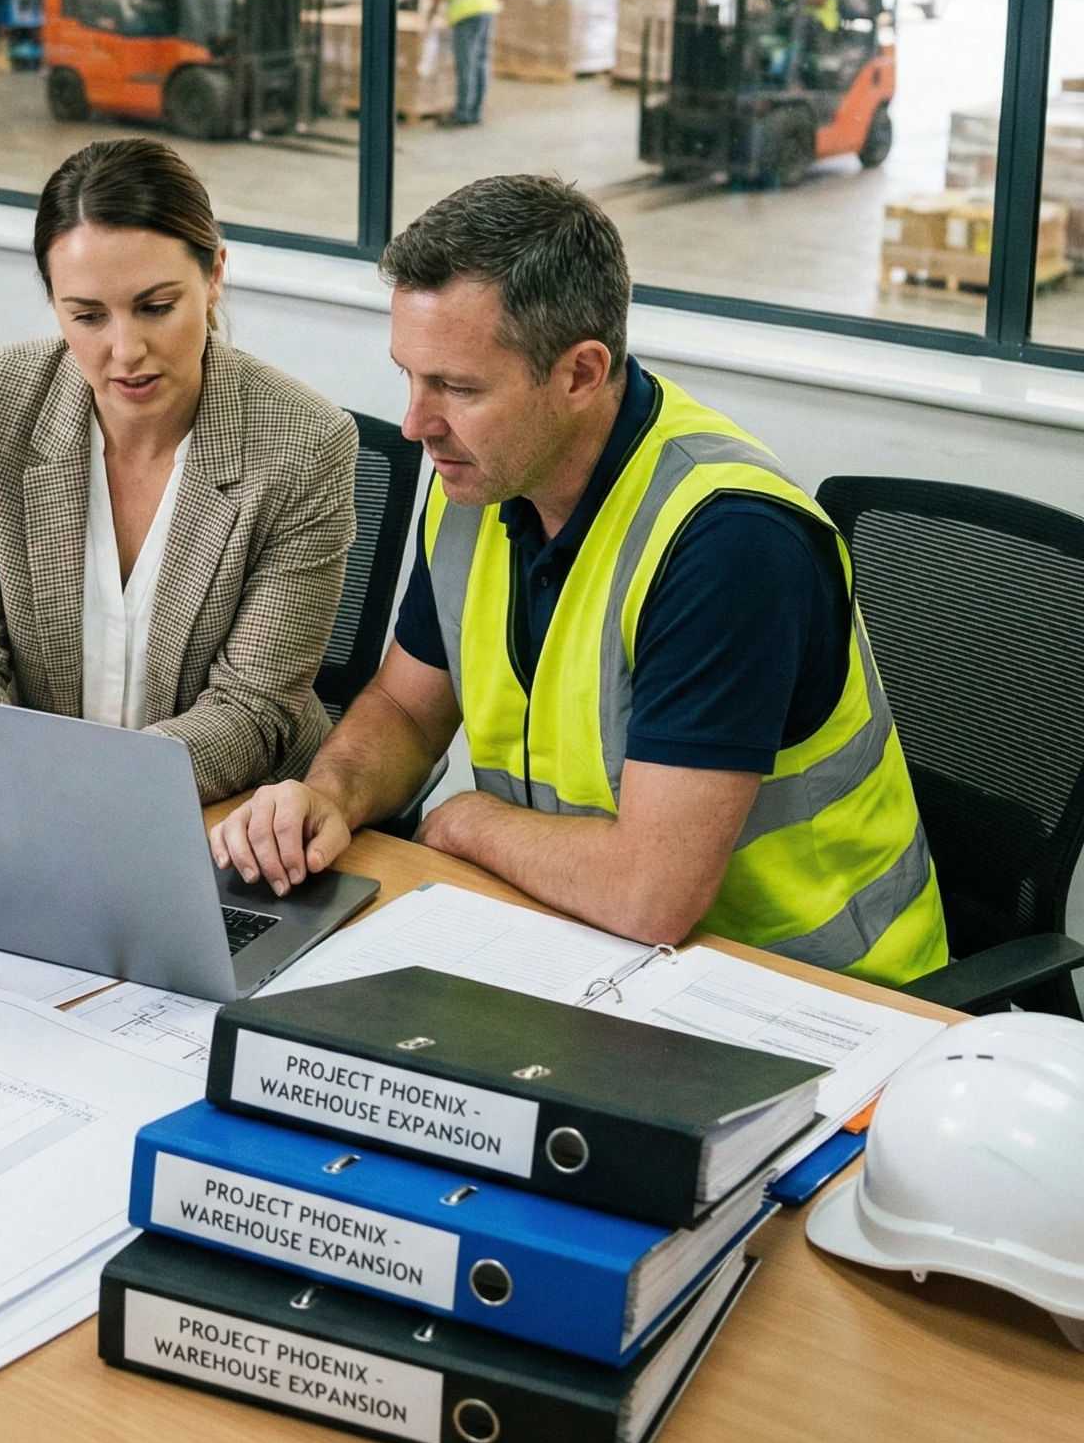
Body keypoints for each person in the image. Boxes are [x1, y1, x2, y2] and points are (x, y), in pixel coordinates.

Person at [211, 173, 948, 988]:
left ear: (581, 373)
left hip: (809, 999)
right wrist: (332, 795)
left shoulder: (729, 543)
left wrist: (464, 821)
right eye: (410, 377)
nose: (418, 424)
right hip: (583, 949)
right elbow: (406, 712)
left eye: (458, 388)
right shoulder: (480, 484)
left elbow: (651, 891)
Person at [0, 138, 358, 804]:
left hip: (228, 815)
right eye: (87, 316)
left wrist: (92, 793)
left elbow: (251, 710)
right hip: (28, 799)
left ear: (214, 276)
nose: (126, 351)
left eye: (155, 307)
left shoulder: (305, 443)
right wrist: (10, 776)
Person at [429, 0, 500, 127]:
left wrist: (430, 15)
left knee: (465, 63)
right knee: (481, 60)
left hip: (467, 11)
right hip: (487, 7)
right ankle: (475, 112)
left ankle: (462, 113)